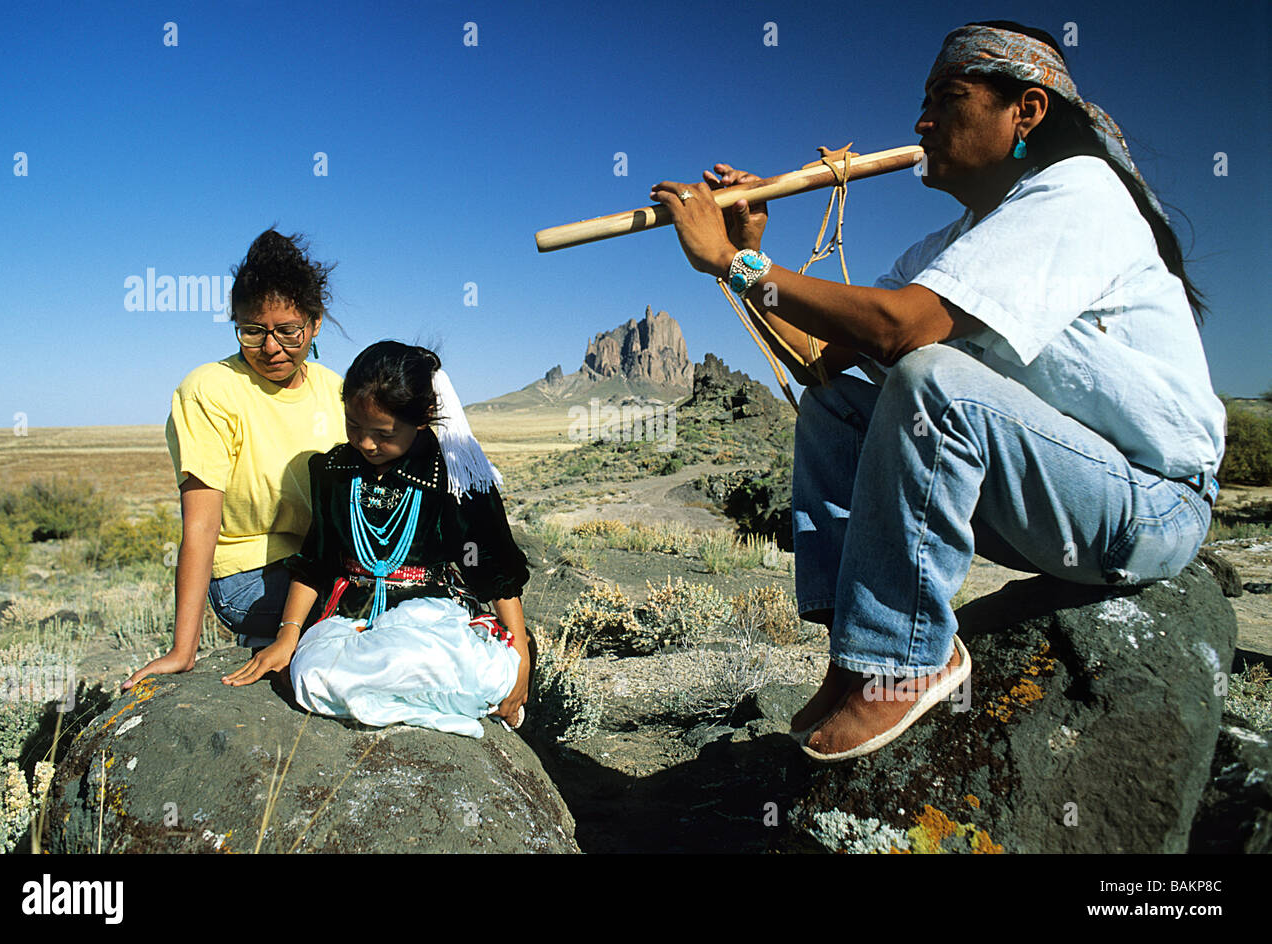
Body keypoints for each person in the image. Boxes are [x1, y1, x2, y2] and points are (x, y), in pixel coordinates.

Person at [649, 21, 1225, 761]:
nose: (921, 122)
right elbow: (823, 363)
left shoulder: (1080, 191)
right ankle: (857, 655)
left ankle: (911, 658)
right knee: (836, 407)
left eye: (948, 98)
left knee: (932, 378)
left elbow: (901, 332)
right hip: (1053, 494)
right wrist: (754, 253)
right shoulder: (951, 245)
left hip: (1153, 501)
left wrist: (733, 263)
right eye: (923, 102)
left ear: (1027, 112)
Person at [220, 341, 532, 737]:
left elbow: (492, 571)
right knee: (314, 670)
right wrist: (287, 636)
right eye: (354, 426)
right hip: (352, 620)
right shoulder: (334, 470)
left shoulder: (451, 475)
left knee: (421, 662)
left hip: (428, 621)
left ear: (422, 420)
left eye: (383, 434)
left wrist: (519, 656)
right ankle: (431, 705)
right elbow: (316, 562)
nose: (366, 443)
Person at [122, 230, 345, 691]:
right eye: (252, 331)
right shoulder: (209, 390)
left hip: (321, 563)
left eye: (288, 331)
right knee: (379, 612)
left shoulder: (334, 389)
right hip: (249, 576)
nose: (270, 347)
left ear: (316, 322)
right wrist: (184, 650)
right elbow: (200, 525)